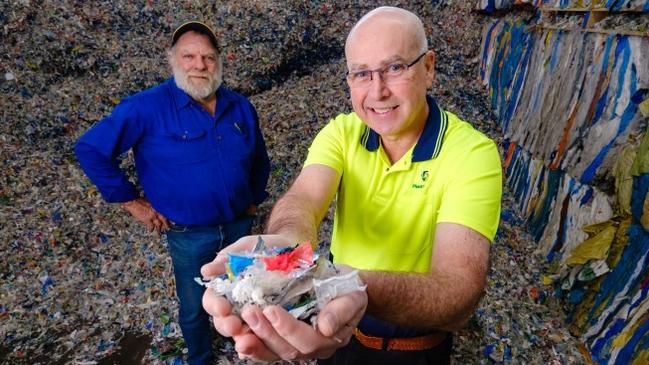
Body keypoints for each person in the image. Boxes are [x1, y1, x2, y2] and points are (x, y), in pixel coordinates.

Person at [201, 6, 502, 365]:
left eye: (394, 68)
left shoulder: (472, 154)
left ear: (429, 67)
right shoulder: (342, 133)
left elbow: (458, 295)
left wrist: (356, 286)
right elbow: (303, 199)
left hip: (413, 350)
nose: (378, 91)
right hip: (335, 334)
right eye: (362, 74)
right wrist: (285, 247)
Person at [75, 21, 270, 365]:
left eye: (208, 57)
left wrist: (255, 197)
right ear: (173, 59)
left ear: (219, 61)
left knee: (246, 294)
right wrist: (132, 202)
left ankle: (245, 348)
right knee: (194, 304)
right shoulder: (145, 107)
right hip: (188, 234)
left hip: (240, 226)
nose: (199, 65)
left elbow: (259, 158)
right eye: (189, 56)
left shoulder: (239, 106)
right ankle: (200, 357)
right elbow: (91, 149)